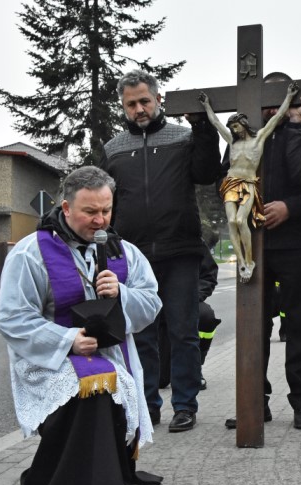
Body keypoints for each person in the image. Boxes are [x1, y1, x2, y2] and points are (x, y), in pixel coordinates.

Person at [0, 166, 163, 485]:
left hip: (114, 354)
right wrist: (68, 339)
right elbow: (12, 317)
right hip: (51, 358)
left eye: (106, 210)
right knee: (94, 386)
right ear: (66, 207)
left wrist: (122, 293)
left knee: (108, 379)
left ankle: (113, 472)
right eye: (90, 211)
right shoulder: (30, 254)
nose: (100, 221)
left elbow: (152, 304)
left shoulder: (125, 252)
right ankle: (68, 483)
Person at [101, 69, 221, 433]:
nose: (138, 109)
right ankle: (147, 406)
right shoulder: (113, 149)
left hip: (180, 250)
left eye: (144, 101)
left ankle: (184, 405)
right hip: (134, 257)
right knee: (142, 336)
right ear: (123, 107)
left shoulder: (183, 137)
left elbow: (206, 173)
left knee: (183, 333)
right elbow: (105, 199)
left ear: (157, 99)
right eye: (131, 104)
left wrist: (203, 128)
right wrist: (107, 237)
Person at [222, 71, 301, 431]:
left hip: (295, 241)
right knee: (253, 324)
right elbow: (228, 178)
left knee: (299, 325)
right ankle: (253, 401)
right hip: (254, 243)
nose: (267, 108)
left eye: (274, 101)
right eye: (263, 100)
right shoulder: (242, 135)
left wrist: (290, 208)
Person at [198, 81, 299, 283]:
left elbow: (276, 118)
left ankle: (250, 260)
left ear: (243, 124)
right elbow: (216, 123)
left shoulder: (258, 138)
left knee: (240, 220)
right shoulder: (232, 142)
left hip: (248, 184)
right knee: (231, 221)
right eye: (232, 128)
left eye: (236, 126)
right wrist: (207, 105)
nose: (234, 130)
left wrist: (288, 97)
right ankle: (241, 262)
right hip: (230, 182)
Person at [159, 241, 221, 390]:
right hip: (153, 309)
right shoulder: (142, 236)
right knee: (160, 380)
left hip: (184, 302)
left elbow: (208, 276)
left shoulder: (191, 239)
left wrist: (190, 298)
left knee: (205, 315)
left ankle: (193, 367)